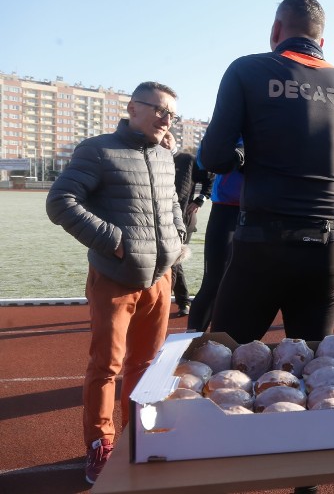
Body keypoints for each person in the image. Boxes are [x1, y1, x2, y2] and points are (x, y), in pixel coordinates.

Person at [199, 0, 334, 345]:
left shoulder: (246, 70)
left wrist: (244, 157)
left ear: (275, 30)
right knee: (317, 367)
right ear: (321, 41)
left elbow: (213, 158)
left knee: (226, 361)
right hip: (327, 243)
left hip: (262, 242)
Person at [46, 81, 185, 484]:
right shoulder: (98, 149)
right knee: (105, 365)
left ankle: (137, 433)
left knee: (146, 364)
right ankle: (100, 443)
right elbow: (60, 201)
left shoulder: (164, 155)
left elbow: (173, 203)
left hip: (159, 278)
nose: (166, 119)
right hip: (115, 279)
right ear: (132, 108)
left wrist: (177, 242)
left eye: (171, 113)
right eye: (159, 110)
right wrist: (114, 241)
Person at [160, 131, 213, 317]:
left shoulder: (187, 160)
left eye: (169, 137)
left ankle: (177, 303)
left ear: (174, 139)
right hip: (160, 220)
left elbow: (210, 180)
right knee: (170, 259)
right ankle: (179, 302)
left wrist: (199, 201)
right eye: (162, 138)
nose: (165, 141)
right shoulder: (154, 159)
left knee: (174, 258)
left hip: (184, 219)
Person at [186, 165, 243, 332]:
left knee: (253, 287)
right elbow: (206, 159)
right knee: (214, 282)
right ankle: (189, 345)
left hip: (270, 209)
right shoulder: (236, 137)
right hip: (228, 208)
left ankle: (233, 352)